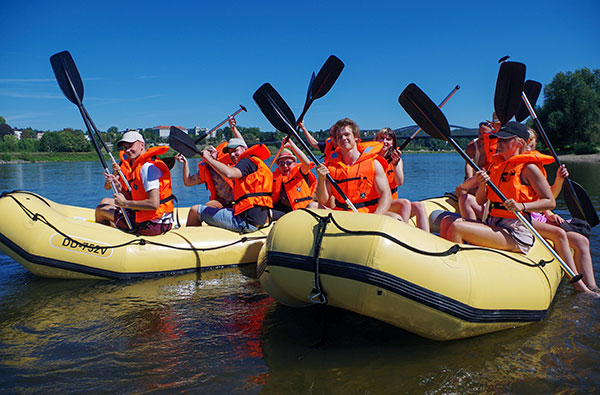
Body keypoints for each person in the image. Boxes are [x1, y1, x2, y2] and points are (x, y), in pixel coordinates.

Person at [443, 122, 556, 255]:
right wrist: (483, 184)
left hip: (516, 232)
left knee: (457, 227)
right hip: (494, 223)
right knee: (446, 222)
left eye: (505, 140)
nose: (498, 143)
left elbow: (550, 202)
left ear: (520, 143)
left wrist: (522, 206)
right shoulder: (495, 166)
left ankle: (458, 267)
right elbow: (480, 201)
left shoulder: (529, 168)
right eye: (499, 140)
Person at [524, 129, 599, 294]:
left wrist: (558, 180)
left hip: (539, 215)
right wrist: (547, 213)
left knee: (582, 241)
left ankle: (592, 287)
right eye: (526, 140)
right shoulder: (518, 167)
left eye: (533, 141)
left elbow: (547, 198)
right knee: (570, 236)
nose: (530, 144)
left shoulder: (534, 166)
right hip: (525, 218)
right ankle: (580, 286)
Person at [186, 137, 281, 233]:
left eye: (235, 150)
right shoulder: (254, 161)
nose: (232, 154)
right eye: (230, 152)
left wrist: (207, 158)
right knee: (209, 205)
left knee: (195, 210)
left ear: (244, 148)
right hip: (254, 218)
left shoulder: (246, 162)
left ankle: (188, 243)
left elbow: (230, 174)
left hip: (245, 222)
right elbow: (188, 182)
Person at [95, 131, 174, 236]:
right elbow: (135, 196)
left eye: (131, 146)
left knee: (100, 210)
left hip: (152, 225)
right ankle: (117, 230)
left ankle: (106, 242)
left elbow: (153, 204)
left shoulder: (147, 168)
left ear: (142, 145)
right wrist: (118, 185)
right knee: (104, 202)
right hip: (154, 220)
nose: (127, 150)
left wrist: (124, 204)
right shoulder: (140, 166)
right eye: (125, 147)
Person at [315, 118, 391, 214]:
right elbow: (323, 200)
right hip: (342, 215)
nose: (343, 138)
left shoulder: (374, 163)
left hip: (368, 214)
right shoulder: (331, 167)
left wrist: (376, 216)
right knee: (312, 206)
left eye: (347, 135)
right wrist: (321, 179)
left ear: (356, 137)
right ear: (337, 142)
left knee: (396, 217)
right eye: (339, 137)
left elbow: (386, 195)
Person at [375, 128, 429, 232]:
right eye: (381, 138)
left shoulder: (396, 160)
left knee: (419, 206)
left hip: (393, 201)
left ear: (392, 143)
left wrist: (395, 164)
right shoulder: (371, 160)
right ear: (376, 140)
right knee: (405, 203)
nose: (385, 142)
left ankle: (428, 238)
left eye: (388, 139)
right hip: (380, 203)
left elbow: (399, 182)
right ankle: (405, 234)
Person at [271, 137, 316, 213]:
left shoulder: (301, 172)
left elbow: (307, 163)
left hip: (299, 211)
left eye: (288, 163)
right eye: (281, 164)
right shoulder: (273, 177)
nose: (285, 166)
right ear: (278, 166)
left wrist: (292, 146)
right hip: (280, 211)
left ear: (294, 163)